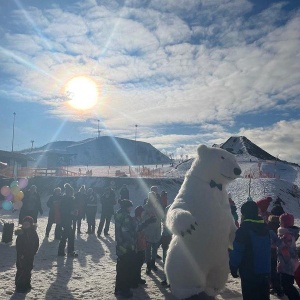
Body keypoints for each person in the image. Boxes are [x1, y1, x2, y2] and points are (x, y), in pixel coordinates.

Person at [229, 201, 271, 300]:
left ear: (244, 214)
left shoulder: (243, 230)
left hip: (249, 273)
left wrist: (233, 266)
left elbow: (237, 251)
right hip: (265, 271)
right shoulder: (265, 228)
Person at [114, 199, 135, 298]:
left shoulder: (118, 214)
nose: (131, 208)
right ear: (126, 207)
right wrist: (132, 241)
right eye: (130, 206)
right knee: (126, 269)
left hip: (120, 245)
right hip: (126, 246)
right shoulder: (126, 216)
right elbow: (126, 231)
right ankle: (124, 290)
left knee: (120, 268)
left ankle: (118, 289)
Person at [276, 213, 300, 300]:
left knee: (287, 286)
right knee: (286, 285)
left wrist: (275, 240)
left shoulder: (287, 235)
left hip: (288, 265)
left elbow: (283, 246)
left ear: (285, 223)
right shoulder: (285, 233)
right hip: (286, 264)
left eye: (280, 222)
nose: (279, 223)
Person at [15, 216, 39, 293]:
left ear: (31, 225)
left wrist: (34, 251)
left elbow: (36, 243)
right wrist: (21, 254)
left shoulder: (33, 233)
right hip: (22, 255)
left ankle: (26, 284)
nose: (25, 225)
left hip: (30, 255)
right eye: (24, 224)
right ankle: (19, 285)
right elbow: (18, 245)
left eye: (27, 224)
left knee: (28, 269)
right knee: (21, 269)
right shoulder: (21, 233)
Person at [143, 191, 163, 274]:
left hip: (156, 231)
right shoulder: (145, 206)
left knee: (155, 249)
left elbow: (162, 216)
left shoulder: (158, 205)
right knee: (147, 250)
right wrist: (149, 217)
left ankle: (153, 263)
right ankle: (148, 265)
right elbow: (143, 217)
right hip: (148, 231)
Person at [268, 205, 285, 297]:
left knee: (272, 270)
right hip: (282, 251)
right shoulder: (283, 224)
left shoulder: (269, 225)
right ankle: (280, 287)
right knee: (279, 270)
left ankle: (276, 288)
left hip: (271, 251)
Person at [58, 183, 77, 257]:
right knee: (67, 236)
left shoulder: (71, 199)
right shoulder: (65, 199)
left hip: (69, 219)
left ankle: (67, 251)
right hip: (65, 219)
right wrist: (71, 212)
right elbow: (63, 210)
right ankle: (68, 251)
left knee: (68, 236)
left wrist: (74, 212)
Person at [160, 204, 172, 286]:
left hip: (170, 242)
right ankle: (167, 279)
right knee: (166, 261)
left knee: (168, 261)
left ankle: (169, 280)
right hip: (167, 241)